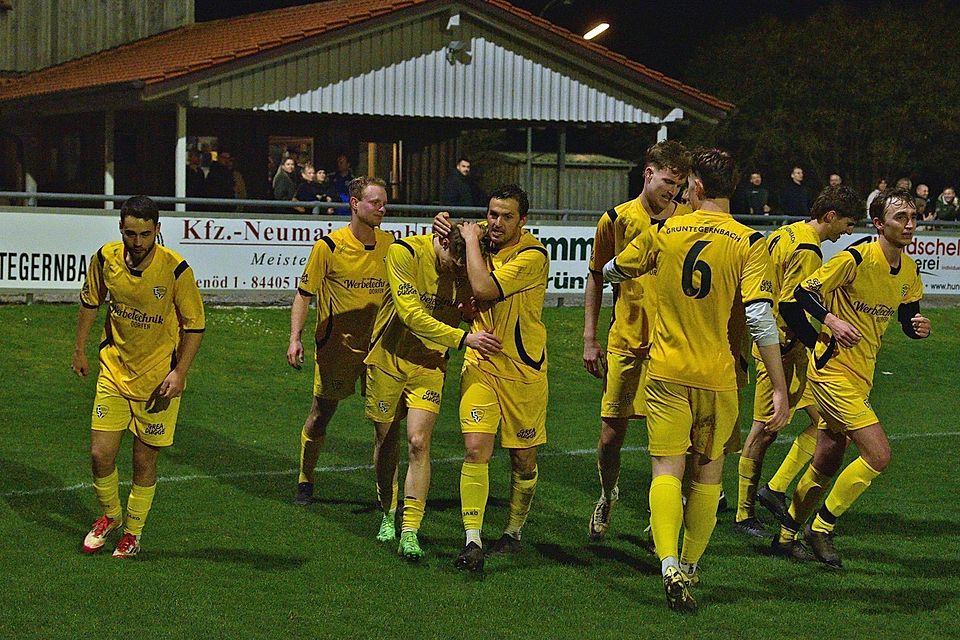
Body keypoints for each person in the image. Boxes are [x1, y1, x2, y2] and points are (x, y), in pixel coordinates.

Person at [603, 148, 789, 613]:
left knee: (666, 470)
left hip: (665, 371)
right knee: (708, 476)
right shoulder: (749, 241)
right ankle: (687, 564)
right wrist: (780, 386)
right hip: (719, 375)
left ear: (698, 187)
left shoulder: (663, 230)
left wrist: (631, 273)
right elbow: (761, 318)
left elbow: (613, 269)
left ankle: (665, 562)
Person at [773, 187, 930, 569]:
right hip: (832, 371)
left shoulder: (908, 270)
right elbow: (801, 293)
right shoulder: (856, 257)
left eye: (913, 218)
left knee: (828, 456)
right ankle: (821, 527)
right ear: (879, 224)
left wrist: (917, 326)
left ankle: (786, 533)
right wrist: (830, 319)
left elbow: (909, 315)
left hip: (861, 372)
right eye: (900, 218)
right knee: (878, 454)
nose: (909, 225)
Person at [73, 195, 205, 558]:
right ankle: (110, 516)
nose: (138, 242)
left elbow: (195, 326)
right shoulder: (105, 259)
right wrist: (80, 348)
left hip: (158, 381)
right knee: (100, 455)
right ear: (121, 229)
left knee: (143, 462)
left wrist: (180, 373)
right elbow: (90, 301)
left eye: (145, 234)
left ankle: (132, 533)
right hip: (113, 372)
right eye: (131, 233)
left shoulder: (176, 270)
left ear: (157, 230)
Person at [730, 185, 862, 546]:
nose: (848, 232)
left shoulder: (787, 232)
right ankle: (744, 513)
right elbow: (790, 305)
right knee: (765, 428)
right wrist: (817, 341)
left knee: (828, 422)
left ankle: (774, 489)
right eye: (847, 224)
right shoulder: (808, 249)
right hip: (779, 349)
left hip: (785, 347)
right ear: (830, 216)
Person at [366, 224, 502, 560]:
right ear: (441, 240)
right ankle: (387, 510)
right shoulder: (405, 253)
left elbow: (489, 225)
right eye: (452, 261)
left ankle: (410, 530)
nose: (456, 270)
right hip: (388, 358)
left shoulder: (463, 258)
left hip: (429, 364)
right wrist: (462, 338)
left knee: (418, 441)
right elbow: (410, 314)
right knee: (386, 439)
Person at [582, 140, 692, 542]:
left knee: (668, 439)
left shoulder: (689, 219)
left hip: (672, 346)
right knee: (612, 434)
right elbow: (597, 275)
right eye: (667, 181)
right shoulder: (615, 219)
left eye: (679, 185)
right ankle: (608, 494)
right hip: (626, 342)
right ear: (648, 173)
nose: (672, 192)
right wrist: (590, 337)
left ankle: (662, 512)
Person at [453, 184, 549, 573]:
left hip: (523, 371)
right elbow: (454, 239)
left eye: (506, 216)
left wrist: (469, 241)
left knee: (523, 461)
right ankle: (472, 539)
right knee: (476, 449)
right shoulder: (481, 236)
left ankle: (512, 531)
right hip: (480, 364)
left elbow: (483, 287)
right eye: (492, 214)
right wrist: (449, 227)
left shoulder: (533, 255)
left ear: (522, 221)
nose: (495, 222)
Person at [287, 177, 394, 506]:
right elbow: (304, 295)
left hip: (380, 348)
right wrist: (295, 338)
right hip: (338, 348)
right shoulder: (329, 247)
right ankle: (306, 478)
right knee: (321, 413)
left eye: (384, 203)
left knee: (385, 425)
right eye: (375, 202)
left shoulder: (391, 245)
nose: (382, 208)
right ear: (355, 204)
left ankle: (386, 498)